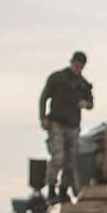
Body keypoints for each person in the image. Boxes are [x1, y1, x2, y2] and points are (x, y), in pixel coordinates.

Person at [39, 51, 94, 202]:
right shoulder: (57, 78)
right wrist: (43, 117)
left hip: (73, 126)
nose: (78, 68)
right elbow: (44, 97)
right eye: (76, 65)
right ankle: (51, 190)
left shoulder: (83, 84)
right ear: (72, 63)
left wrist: (86, 104)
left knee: (71, 160)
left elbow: (91, 103)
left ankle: (63, 190)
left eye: (81, 66)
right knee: (58, 157)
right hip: (56, 123)